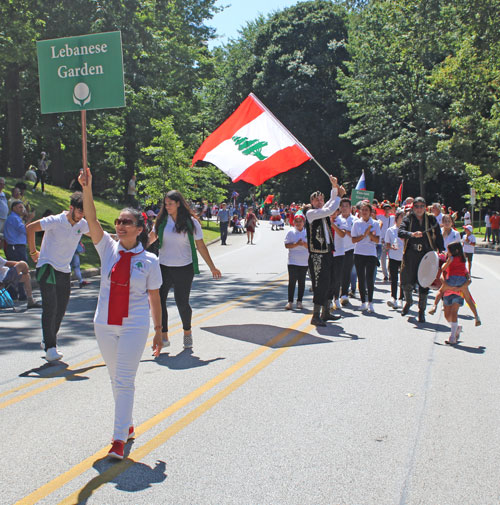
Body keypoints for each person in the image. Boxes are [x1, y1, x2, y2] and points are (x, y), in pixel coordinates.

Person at [78, 166, 163, 460]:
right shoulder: (108, 249)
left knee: (125, 379)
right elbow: (90, 219)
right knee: (115, 379)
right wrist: (87, 188)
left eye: (127, 222)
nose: (120, 225)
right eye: (118, 221)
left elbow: (155, 298)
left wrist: (159, 332)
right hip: (104, 324)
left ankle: (117, 441)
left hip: (134, 326)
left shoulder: (150, 261)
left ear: (140, 229)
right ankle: (126, 425)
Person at [150, 190, 221, 349]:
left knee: (182, 302)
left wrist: (212, 267)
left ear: (178, 204)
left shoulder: (191, 222)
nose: (167, 206)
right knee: (159, 301)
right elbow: (151, 237)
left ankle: (187, 332)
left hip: (184, 268)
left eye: (170, 204)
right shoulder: (161, 221)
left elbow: (200, 246)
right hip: (163, 267)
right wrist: (133, 250)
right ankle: (164, 336)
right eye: (165, 204)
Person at [26, 192, 89, 361]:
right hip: (47, 266)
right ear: (71, 208)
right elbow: (30, 227)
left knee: (61, 308)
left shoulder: (81, 224)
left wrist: (121, 238)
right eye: (79, 211)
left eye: (84, 212)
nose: (82, 215)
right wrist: (33, 252)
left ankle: (48, 339)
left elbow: (100, 236)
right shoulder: (55, 220)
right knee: (50, 306)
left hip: (64, 270)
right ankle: (50, 347)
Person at [305, 175, 344, 326]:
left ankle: (326, 312)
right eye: (316, 200)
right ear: (311, 202)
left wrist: (334, 186)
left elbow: (330, 203)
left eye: (321, 199)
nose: (320, 202)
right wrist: (339, 195)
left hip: (327, 252)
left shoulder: (324, 210)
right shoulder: (311, 214)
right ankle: (315, 315)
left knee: (331, 282)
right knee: (320, 284)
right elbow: (331, 207)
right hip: (317, 255)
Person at [398, 197, 444, 323]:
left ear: (425, 207)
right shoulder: (408, 218)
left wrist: (442, 249)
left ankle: (421, 311)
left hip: (426, 254)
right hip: (411, 254)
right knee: (406, 281)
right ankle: (408, 301)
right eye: (416, 206)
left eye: (421, 206)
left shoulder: (431, 219)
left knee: (425, 282)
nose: (419, 209)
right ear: (413, 207)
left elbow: (438, 235)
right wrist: (411, 234)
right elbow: (400, 232)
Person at [438, 242, 481, 344]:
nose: (447, 252)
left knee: (454, 311)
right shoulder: (448, 262)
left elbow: (467, 276)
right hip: (448, 291)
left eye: (448, 251)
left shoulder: (460, 263)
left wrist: (464, 285)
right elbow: (441, 275)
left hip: (458, 291)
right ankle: (456, 328)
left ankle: (452, 337)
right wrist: (446, 284)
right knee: (447, 315)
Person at [351, 201, 381, 313]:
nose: (364, 212)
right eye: (362, 210)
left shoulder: (375, 223)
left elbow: (377, 240)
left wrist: (369, 233)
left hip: (371, 253)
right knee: (361, 278)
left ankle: (370, 302)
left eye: (366, 210)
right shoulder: (356, 223)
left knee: (369, 279)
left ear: (370, 212)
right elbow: (353, 239)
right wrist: (364, 235)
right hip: (359, 253)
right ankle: (363, 302)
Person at [3, 200, 34, 300]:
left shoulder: (16, 218)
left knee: (20, 269)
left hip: (16, 246)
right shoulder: (14, 218)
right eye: (20, 207)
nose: (22, 209)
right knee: (21, 269)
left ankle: (19, 293)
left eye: (22, 207)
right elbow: (25, 229)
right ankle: (21, 293)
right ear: (14, 208)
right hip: (15, 247)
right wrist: (29, 219)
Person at [284, 212, 309, 310]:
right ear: (294, 222)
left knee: (302, 282)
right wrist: (296, 244)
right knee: (292, 282)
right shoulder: (291, 232)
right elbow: (287, 245)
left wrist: (303, 244)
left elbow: (311, 247)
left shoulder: (307, 232)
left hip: (304, 261)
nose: (298, 223)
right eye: (296, 221)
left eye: (300, 221)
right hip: (292, 261)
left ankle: (300, 301)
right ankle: (290, 301)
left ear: (303, 222)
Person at [385, 210, 405, 309]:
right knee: (394, 278)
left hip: (404, 258)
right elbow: (387, 244)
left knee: (403, 279)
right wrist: (391, 246)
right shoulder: (390, 230)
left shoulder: (407, 231)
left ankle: (401, 298)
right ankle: (393, 297)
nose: (403, 219)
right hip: (393, 257)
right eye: (401, 217)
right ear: (396, 218)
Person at [339, 198, 355, 306]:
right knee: (337, 272)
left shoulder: (355, 220)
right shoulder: (336, 219)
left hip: (350, 249)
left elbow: (357, 236)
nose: (344, 208)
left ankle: (344, 294)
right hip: (338, 249)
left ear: (350, 208)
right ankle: (336, 293)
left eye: (346, 206)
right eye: (342, 206)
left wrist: (347, 232)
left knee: (346, 272)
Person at [331, 209, 347, 310]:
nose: (333, 213)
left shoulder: (342, 221)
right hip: (328, 253)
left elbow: (342, 234)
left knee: (337, 278)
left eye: (335, 211)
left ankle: (336, 298)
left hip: (339, 253)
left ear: (337, 212)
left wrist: (332, 224)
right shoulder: (323, 220)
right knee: (328, 278)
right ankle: (328, 299)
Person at [379, 203, 395, 281]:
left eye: (388, 209)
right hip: (383, 240)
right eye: (385, 209)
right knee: (383, 258)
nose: (387, 210)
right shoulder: (380, 217)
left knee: (391, 257)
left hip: (391, 240)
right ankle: (385, 274)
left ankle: (390, 273)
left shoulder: (393, 218)